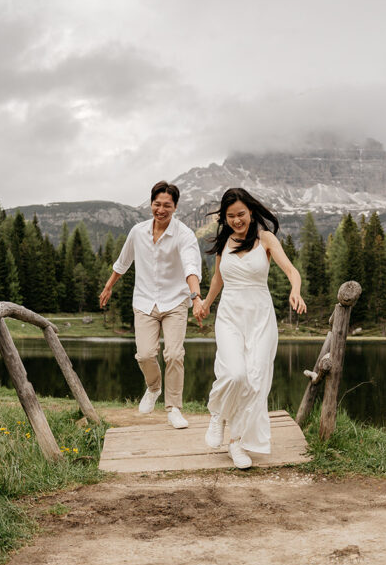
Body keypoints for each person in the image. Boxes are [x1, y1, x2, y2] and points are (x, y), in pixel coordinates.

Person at [194, 188, 306, 468]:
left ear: (252, 212)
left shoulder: (265, 239)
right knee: (235, 373)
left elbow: (292, 271)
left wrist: (296, 290)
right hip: (230, 316)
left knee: (255, 381)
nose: (236, 220)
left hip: (260, 317)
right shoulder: (224, 243)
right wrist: (206, 302)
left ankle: (238, 443)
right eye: (230, 216)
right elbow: (218, 279)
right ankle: (218, 414)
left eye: (241, 214)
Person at [99, 181, 203, 429]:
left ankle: (174, 408)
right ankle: (154, 388)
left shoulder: (185, 235)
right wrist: (108, 285)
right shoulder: (138, 232)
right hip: (145, 301)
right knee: (145, 354)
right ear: (151, 204)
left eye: (167, 205)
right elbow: (123, 262)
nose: (161, 209)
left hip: (176, 301)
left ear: (175, 207)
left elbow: (191, 267)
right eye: (157, 204)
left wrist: (195, 297)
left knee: (175, 355)